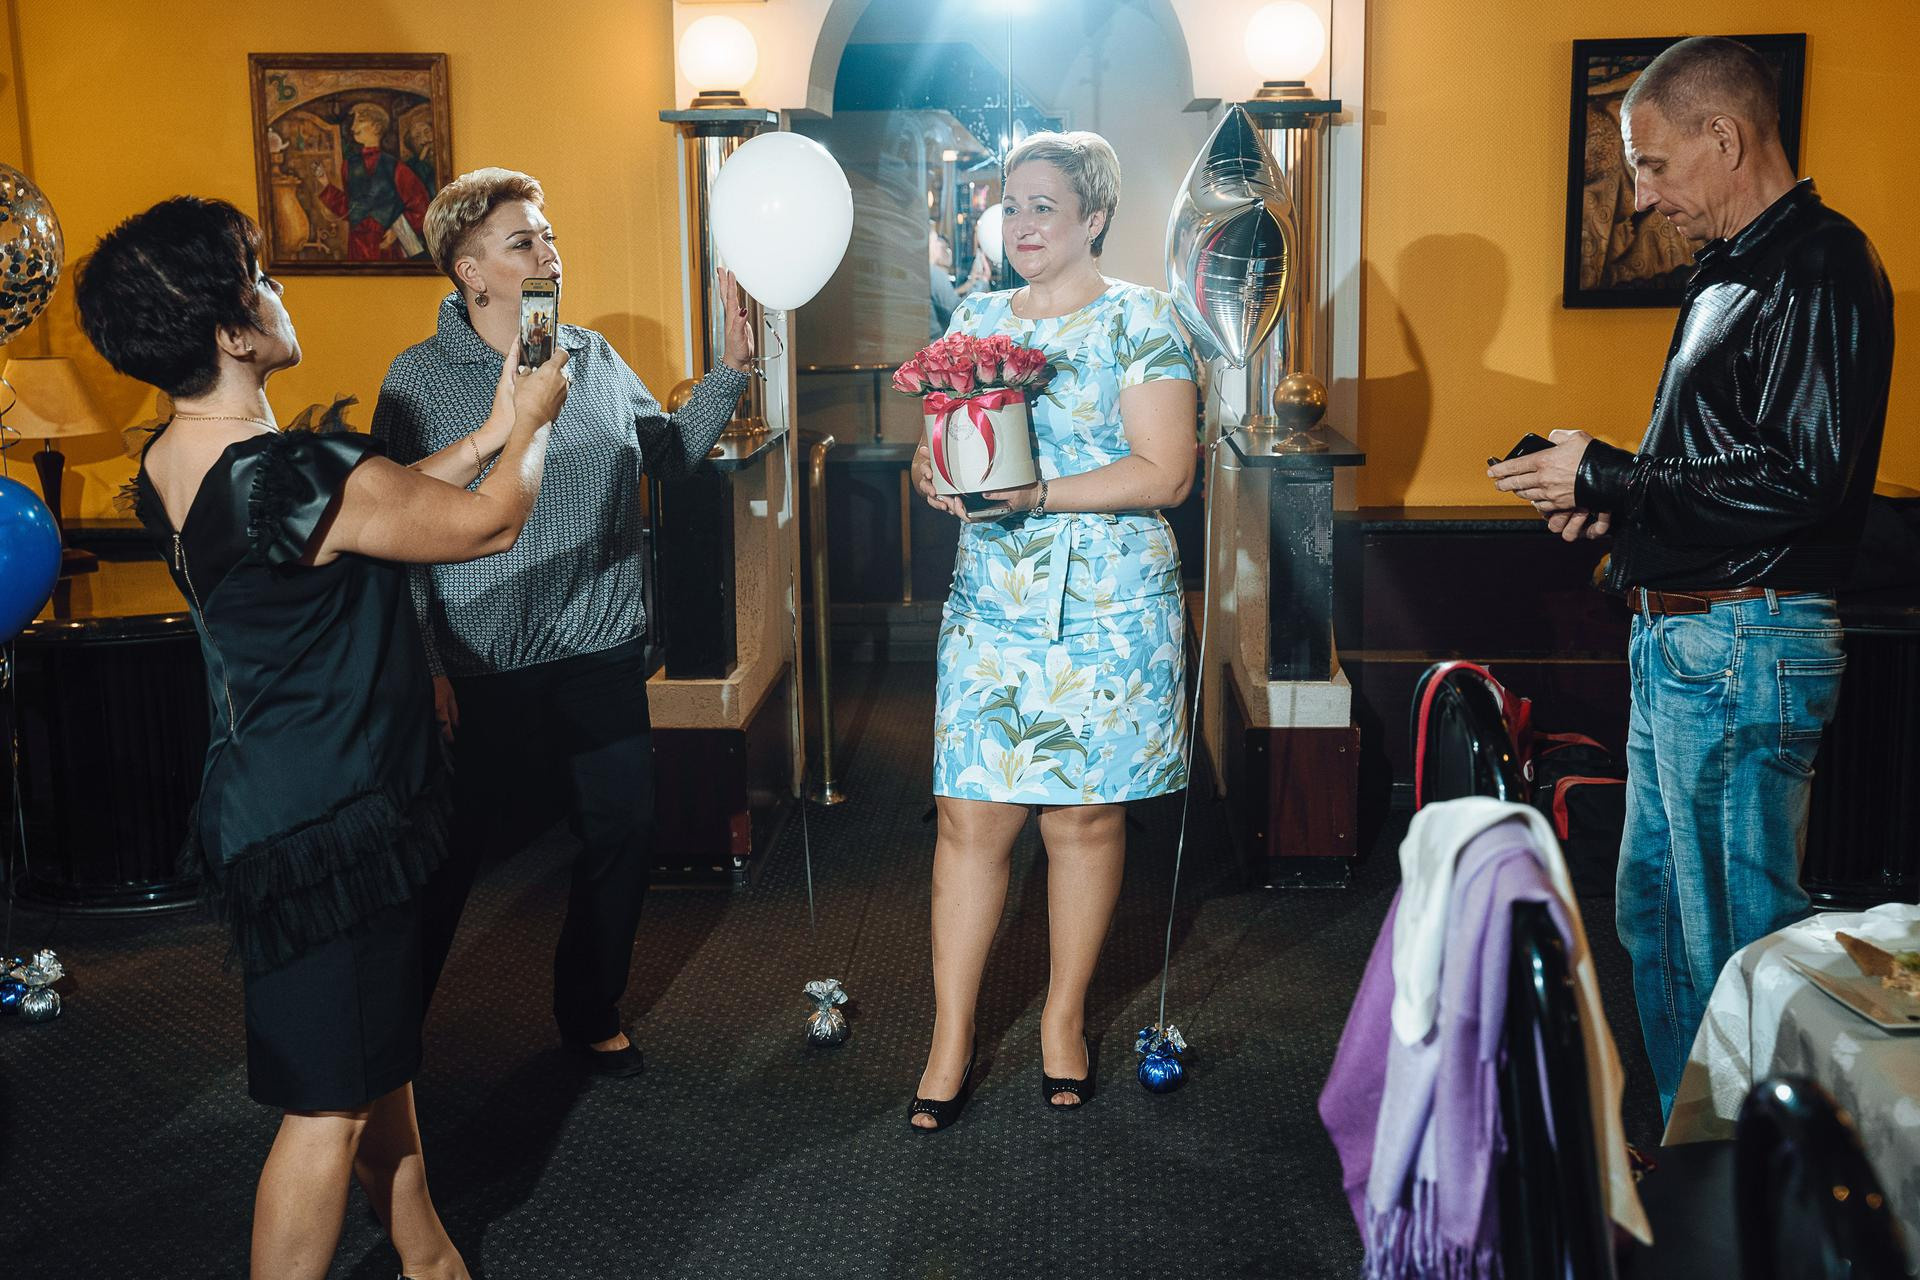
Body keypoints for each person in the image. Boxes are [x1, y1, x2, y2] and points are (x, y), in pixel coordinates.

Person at [75, 195, 570, 1279]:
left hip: (276, 801)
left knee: (370, 1063)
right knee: (326, 1111)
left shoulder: (186, 460)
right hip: (327, 816)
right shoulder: (288, 475)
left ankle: (429, 1258)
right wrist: (534, 424)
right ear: (230, 331)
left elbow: (364, 509)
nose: (279, 288)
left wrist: (490, 431)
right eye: (261, 276)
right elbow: (486, 523)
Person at [1488, 36, 1895, 1120]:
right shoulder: (1739, 266)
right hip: (1696, 641)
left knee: (1736, 943)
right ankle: (1696, 1158)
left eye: (1653, 165)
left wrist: (1613, 473)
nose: (1640, 196)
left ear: (1725, 137)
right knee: (1659, 919)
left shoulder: (1819, 262)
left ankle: (1755, 1183)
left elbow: (1802, 479)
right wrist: (1612, 499)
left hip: (1745, 642)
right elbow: (1734, 467)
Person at [372, 167, 753, 1077]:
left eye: (548, 235)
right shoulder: (417, 380)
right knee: (449, 860)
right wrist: (426, 662)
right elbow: (396, 526)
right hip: (479, 658)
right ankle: (381, 1042)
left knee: (623, 831)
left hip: (600, 643)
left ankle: (590, 1009)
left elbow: (667, 455)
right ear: (469, 270)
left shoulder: (593, 356)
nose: (549, 253)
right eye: (523, 241)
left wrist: (732, 371)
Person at [906, 131, 1198, 1129]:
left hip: (1107, 611)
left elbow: (1167, 472)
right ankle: (951, 1037)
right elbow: (938, 444)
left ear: (1094, 217)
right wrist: (931, 469)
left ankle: (1063, 1019)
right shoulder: (975, 317)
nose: (1022, 223)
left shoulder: (1141, 318)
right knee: (970, 817)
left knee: (1082, 820)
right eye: (1012, 205)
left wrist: (1035, 493)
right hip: (992, 602)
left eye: (1045, 206)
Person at [313, 101, 431, 262]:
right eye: (354, 121)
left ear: (376, 127)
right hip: (358, 248)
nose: (353, 127)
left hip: (387, 248)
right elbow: (349, 208)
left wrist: (397, 232)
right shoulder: (348, 166)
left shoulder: (396, 167)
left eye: (360, 121)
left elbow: (421, 205)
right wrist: (325, 184)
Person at [929, 227, 962, 341]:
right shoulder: (932, 273)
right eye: (935, 241)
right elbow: (958, 312)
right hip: (933, 346)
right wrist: (981, 282)